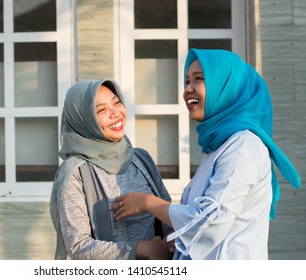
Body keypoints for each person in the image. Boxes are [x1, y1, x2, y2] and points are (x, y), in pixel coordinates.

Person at [110, 48, 301, 260]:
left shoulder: (243, 147)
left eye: (198, 79)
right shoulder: (219, 145)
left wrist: (148, 202)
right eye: (186, 81)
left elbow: (211, 222)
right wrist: (180, 237)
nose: (187, 89)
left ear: (226, 87)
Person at [49, 79, 173, 260]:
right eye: (101, 110)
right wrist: (141, 249)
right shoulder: (76, 173)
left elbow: (169, 218)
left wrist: (172, 241)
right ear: (83, 119)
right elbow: (77, 246)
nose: (115, 113)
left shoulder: (141, 159)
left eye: (117, 103)